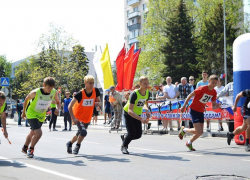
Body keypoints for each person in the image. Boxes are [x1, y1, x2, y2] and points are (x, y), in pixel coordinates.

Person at [179, 75, 221, 151]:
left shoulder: (214, 92)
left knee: (200, 132)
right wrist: (184, 106)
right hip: (194, 110)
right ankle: (184, 130)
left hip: (201, 111)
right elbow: (190, 95)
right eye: (212, 82)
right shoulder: (202, 88)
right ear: (209, 81)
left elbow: (214, 106)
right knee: (198, 131)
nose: (214, 85)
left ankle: (189, 142)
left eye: (215, 83)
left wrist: (217, 106)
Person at [21, 77, 60, 158]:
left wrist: (57, 108)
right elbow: (26, 99)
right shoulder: (35, 92)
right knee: (39, 133)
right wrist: (23, 112)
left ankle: (25, 147)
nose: (50, 90)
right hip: (31, 114)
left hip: (41, 115)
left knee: (33, 132)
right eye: (48, 87)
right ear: (44, 85)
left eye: (52, 87)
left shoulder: (54, 92)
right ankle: (30, 150)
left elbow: (58, 102)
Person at [66, 75, 101, 155]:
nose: (92, 85)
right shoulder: (80, 94)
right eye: (90, 83)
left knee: (80, 133)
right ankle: (77, 146)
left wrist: (97, 103)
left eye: (93, 83)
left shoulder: (96, 91)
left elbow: (98, 101)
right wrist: (73, 118)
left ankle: (70, 143)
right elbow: (70, 106)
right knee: (83, 132)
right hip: (78, 117)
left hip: (87, 117)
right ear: (85, 83)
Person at [121, 76, 150, 154]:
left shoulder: (147, 92)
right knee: (132, 133)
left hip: (137, 114)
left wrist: (147, 110)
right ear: (140, 84)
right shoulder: (134, 94)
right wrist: (141, 119)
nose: (147, 85)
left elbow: (145, 102)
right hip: (128, 113)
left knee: (138, 135)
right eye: (145, 84)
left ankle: (125, 137)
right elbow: (130, 110)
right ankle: (124, 146)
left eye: (148, 83)